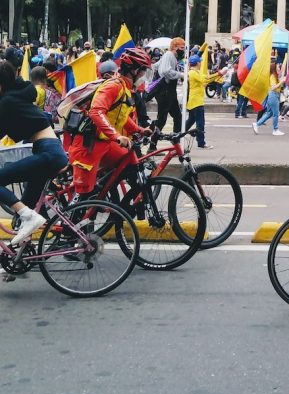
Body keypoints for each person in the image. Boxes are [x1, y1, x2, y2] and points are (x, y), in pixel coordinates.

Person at [68, 48, 153, 197]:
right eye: (143, 70)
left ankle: (113, 208)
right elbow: (96, 111)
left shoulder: (125, 88)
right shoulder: (113, 86)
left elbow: (121, 116)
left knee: (126, 163)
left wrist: (139, 130)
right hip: (89, 145)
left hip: (106, 144)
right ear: (133, 70)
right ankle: (79, 216)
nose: (143, 75)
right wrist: (117, 136)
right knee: (84, 198)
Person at [0, 60, 68, 246]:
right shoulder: (14, 97)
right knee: (26, 205)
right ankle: (24, 251)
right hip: (49, 152)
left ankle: (28, 217)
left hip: (48, 154)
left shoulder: (7, 102)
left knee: (25, 212)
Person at [186, 53, 222, 148]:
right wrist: (218, 74)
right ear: (197, 63)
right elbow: (205, 79)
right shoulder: (193, 73)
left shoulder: (194, 72)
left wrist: (218, 75)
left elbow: (205, 80)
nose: (201, 63)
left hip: (194, 101)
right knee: (200, 123)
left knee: (190, 121)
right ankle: (201, 143)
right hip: (196, 102)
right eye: (200, 62)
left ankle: (177, 136)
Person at [154, 37, 185, 133]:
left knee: (177, 116)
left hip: (169, 92)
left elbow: (156, 66)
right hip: (165, 92)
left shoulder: (170, 56)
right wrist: (180, 74)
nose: (183, 50)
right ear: (175, 47)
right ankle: (152, 144)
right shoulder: (169, 55)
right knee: (162, 119)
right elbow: (165, 71)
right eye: (182, 47)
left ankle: (176, 140)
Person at [252, 61, 285, 135]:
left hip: (273, 96)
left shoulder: (275, 76)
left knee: (269, 113)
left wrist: (281, 79)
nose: (278, 68)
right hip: (273, 95)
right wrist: (281, 82)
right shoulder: (273, 76)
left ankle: (257, 124)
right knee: (276, 114)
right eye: (277, 67)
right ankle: (275, 130)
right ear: (273, 68)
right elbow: (273, 87)